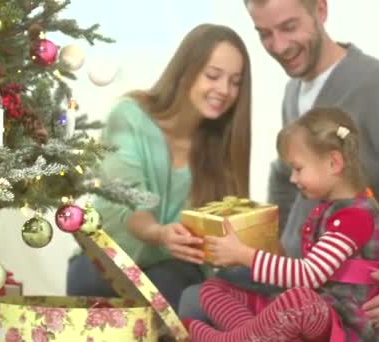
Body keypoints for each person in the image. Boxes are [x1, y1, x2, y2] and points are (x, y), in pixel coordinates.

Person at [179, 0, 379, 329]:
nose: (278, 46)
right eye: (264, 34)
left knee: (194, 300)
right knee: (208, 287)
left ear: (321, 10)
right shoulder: (294, 91)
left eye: (289, 27)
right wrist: (269, 237)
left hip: (333, 300)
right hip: (293, 275)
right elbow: (283, 172)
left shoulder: (377, 85)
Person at [66, 23, 253, 312]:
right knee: (94, 276)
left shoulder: (222, 144)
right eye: (213, 76)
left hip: (175, 273)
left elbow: (226, 228)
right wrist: (160, 234)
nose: (225, 90)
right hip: (108, 262)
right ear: (185, 71)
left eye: (236, 81)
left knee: (180, 285)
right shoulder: (128, 116)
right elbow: (127, 203)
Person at [186, 107, 379, 341]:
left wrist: (245, 255)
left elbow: (310, 275)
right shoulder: (332, 208)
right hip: (317, 314)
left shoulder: (355, 217)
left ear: (334, 162)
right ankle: (252, 336)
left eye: (298, 169)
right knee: (213, 289)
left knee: (299, 300)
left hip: (344, 327)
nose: (293, 179)